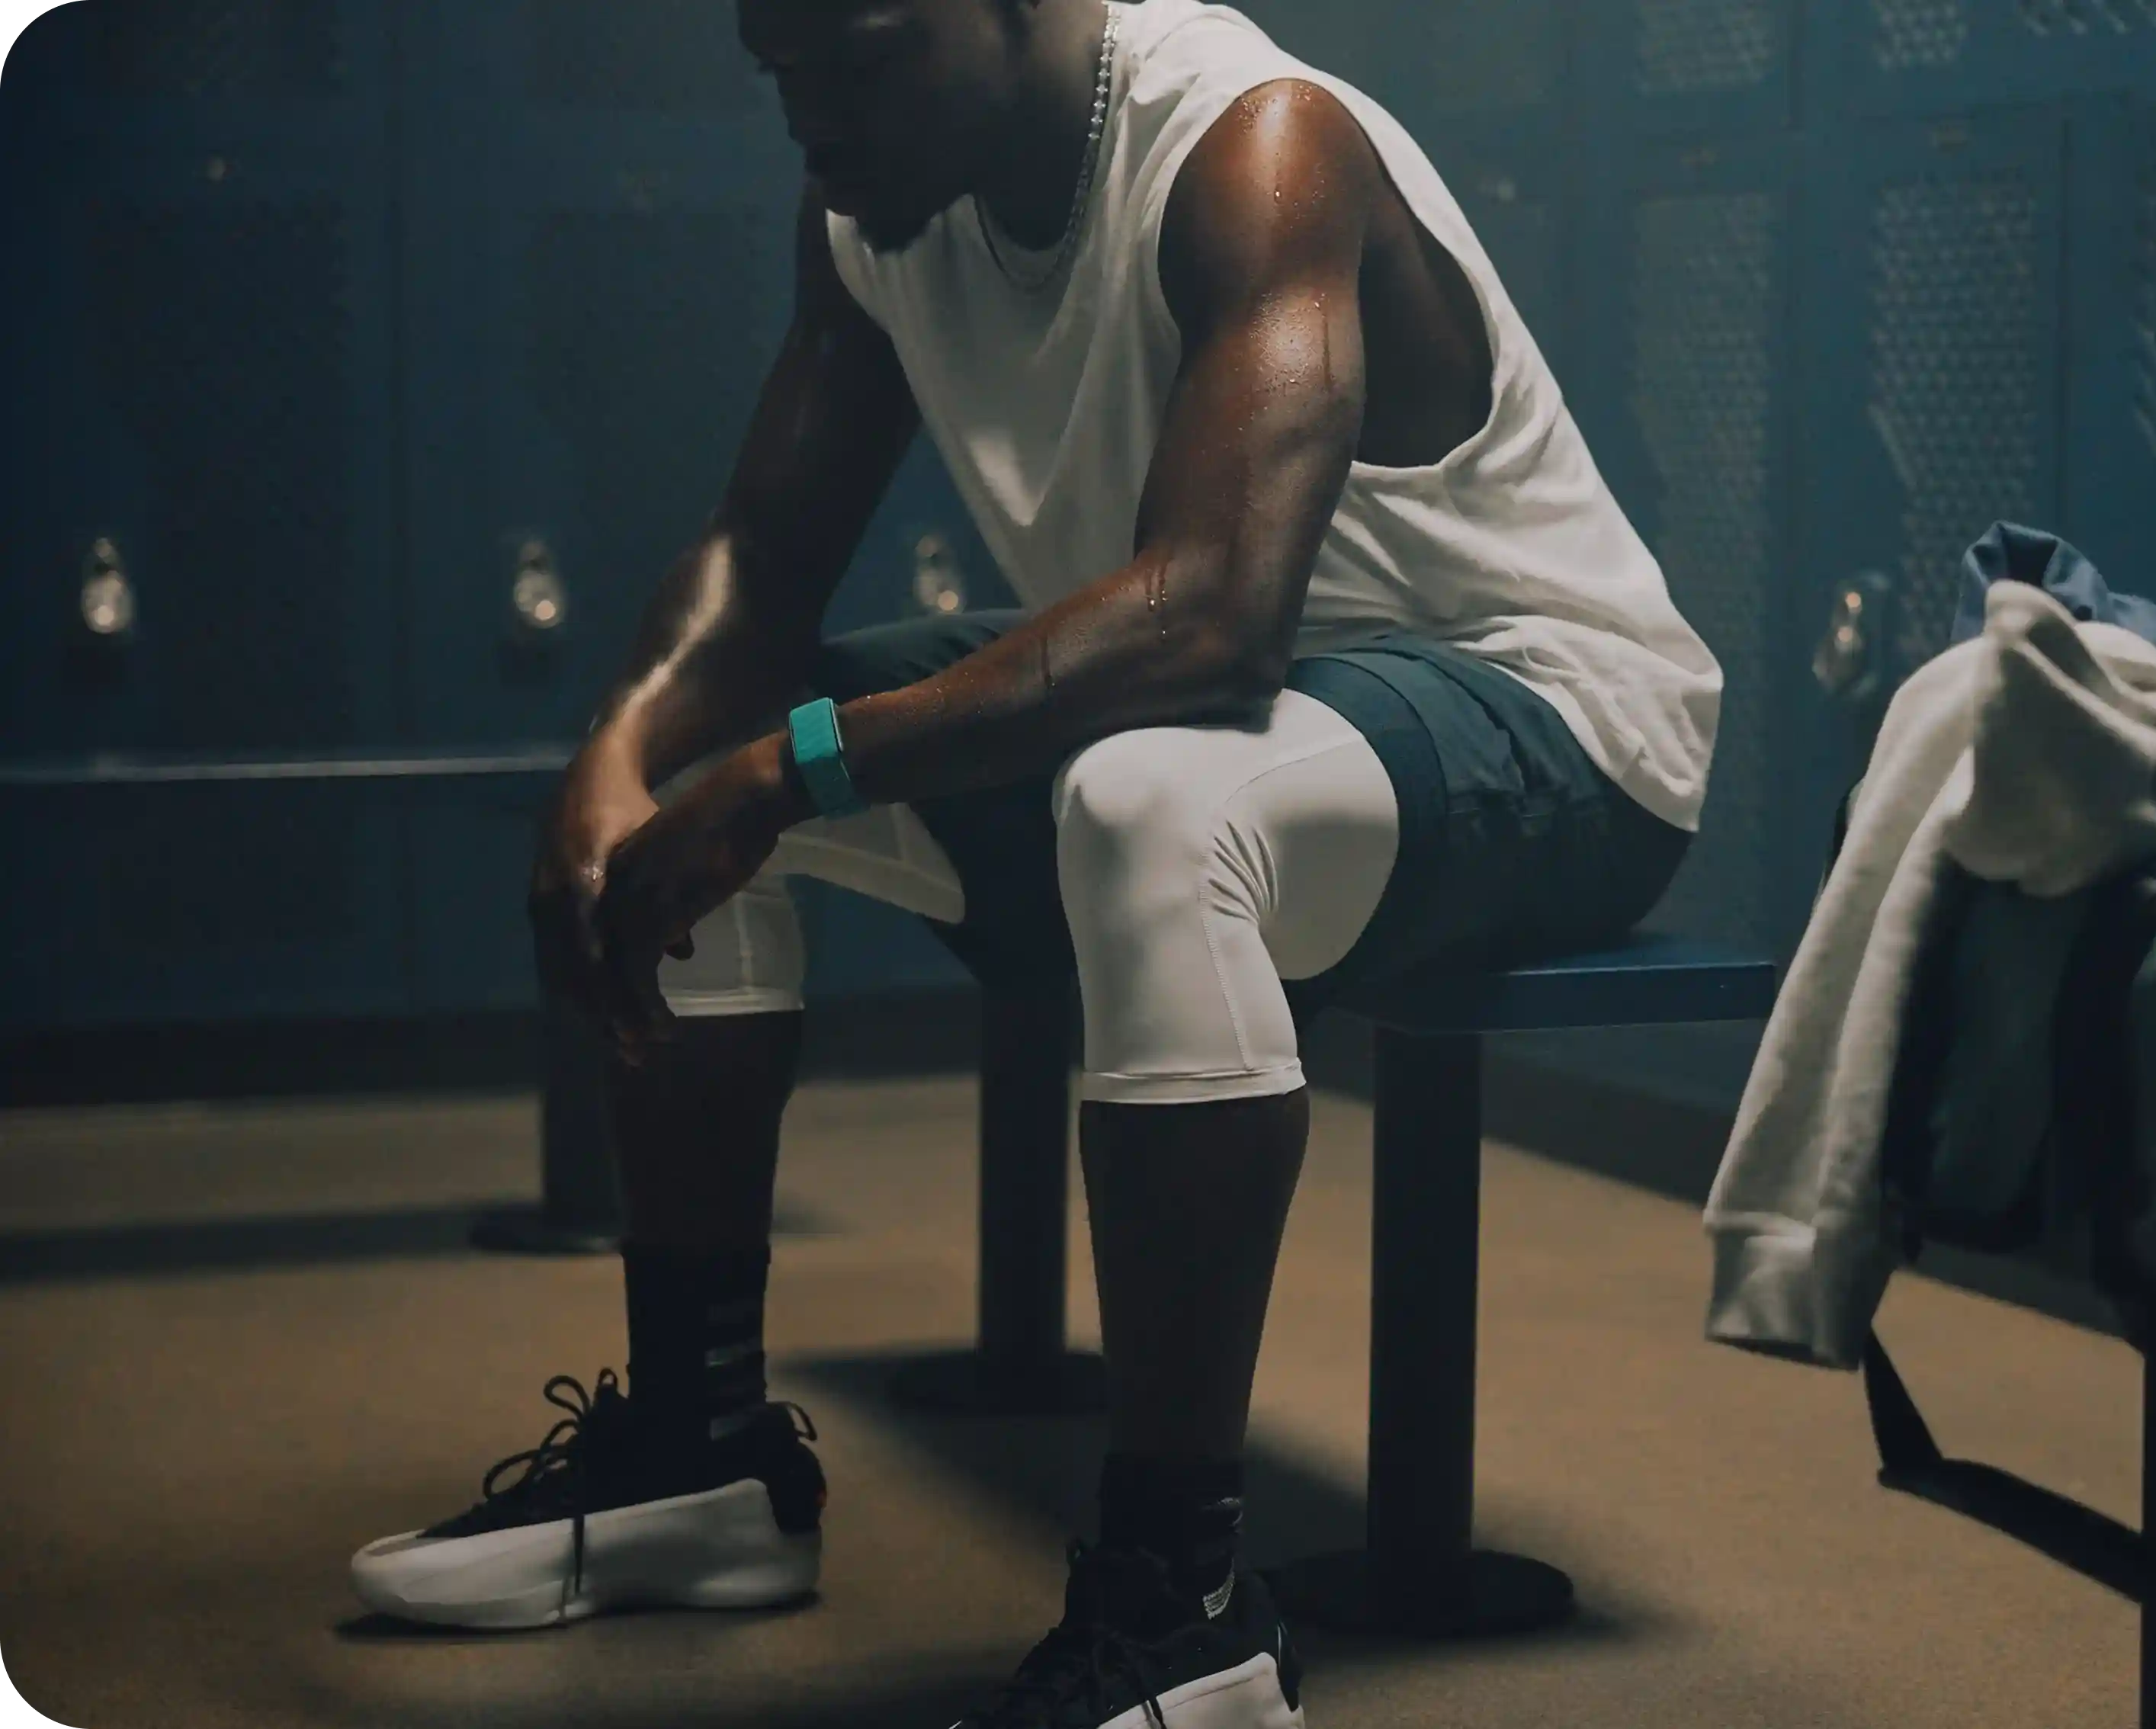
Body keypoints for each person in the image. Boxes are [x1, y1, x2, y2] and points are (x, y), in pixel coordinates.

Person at [348, 0, 1720, 1720]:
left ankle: (1185, 1616)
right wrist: (624, 753)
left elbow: (1216, 612)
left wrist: (809, 764)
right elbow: (761, 558)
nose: (815, 121)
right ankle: (698, 1466)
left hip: (1547, 722)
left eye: (855, 61)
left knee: (1145, 804)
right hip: (1263, 709)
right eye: (784, 77)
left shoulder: (1252, 145)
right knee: (715, 772)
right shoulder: (870, 212)